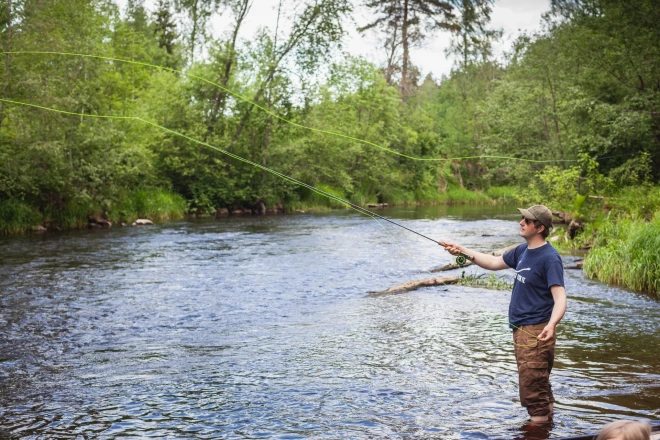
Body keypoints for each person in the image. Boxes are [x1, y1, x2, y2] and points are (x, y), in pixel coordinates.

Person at [439, 205, 567, 424]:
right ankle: (551, 428)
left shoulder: (550, 258)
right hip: (523, 331)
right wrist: (461, 250)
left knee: (534, 394)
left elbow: (560, 298)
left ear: (540, 228)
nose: (521, 222)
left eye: (526, 220)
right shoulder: (521, 251)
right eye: (522, 218)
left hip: (536, 333)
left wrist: (552, 324)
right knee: (540, 385)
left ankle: (538, 431)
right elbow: (493, 262)